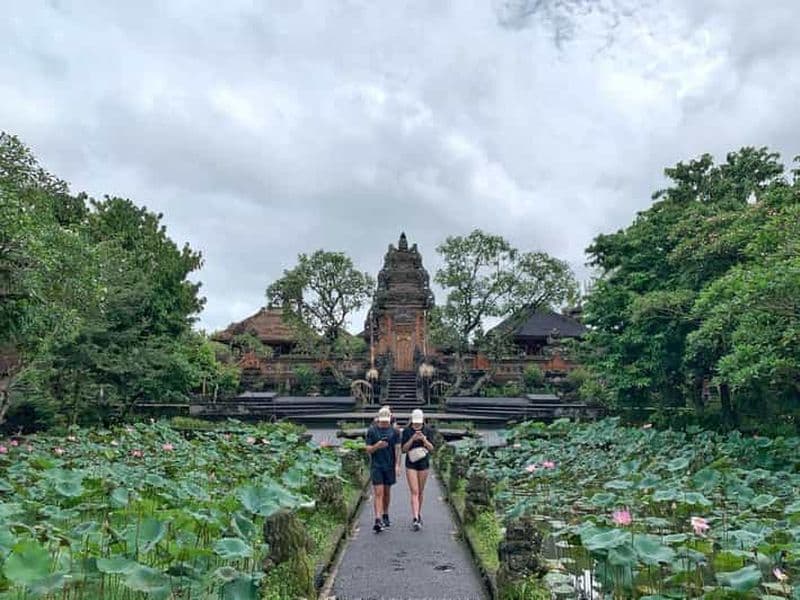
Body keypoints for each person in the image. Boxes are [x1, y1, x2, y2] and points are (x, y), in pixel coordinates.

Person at [365, 406, 400, 533]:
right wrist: (377, 446)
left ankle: (385, 513)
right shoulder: (372, 431)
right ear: (378, 419)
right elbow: (368, 449)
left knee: (386, 492)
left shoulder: (395, 432)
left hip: (389, 465)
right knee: (378, 493)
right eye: (383, 421)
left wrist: (397, 465)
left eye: (387, 421)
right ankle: (377, 519)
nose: (385, 423)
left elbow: (397, 449)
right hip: (377, 465)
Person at [401, 408, 434, 531]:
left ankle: (418, 513)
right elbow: (404, 449)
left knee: (420, 490)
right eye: (415, 423)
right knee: (414, 491)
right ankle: (415, 517)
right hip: (411, 462)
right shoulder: (407, 431)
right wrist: (412, 439)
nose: (417, 425)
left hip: (423, 462)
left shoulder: (428, 430)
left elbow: (432, 449)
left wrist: (424, 440)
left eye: (419, 423)